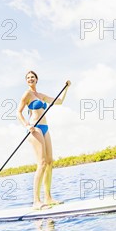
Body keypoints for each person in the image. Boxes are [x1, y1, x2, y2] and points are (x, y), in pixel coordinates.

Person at [17, 71, 71, 209]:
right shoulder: (27, 94)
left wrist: (66, 88)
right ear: (26, 81)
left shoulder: (41, 96)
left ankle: (48, 198)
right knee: (41, 163)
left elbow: (59, 101)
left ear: (37, 79)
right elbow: (18, 112)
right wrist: (27, 125)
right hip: (35, 128)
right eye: (28, 78)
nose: (30, 79)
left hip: (45, 127)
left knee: (49, 161)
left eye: (32, 77)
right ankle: (36, 201)